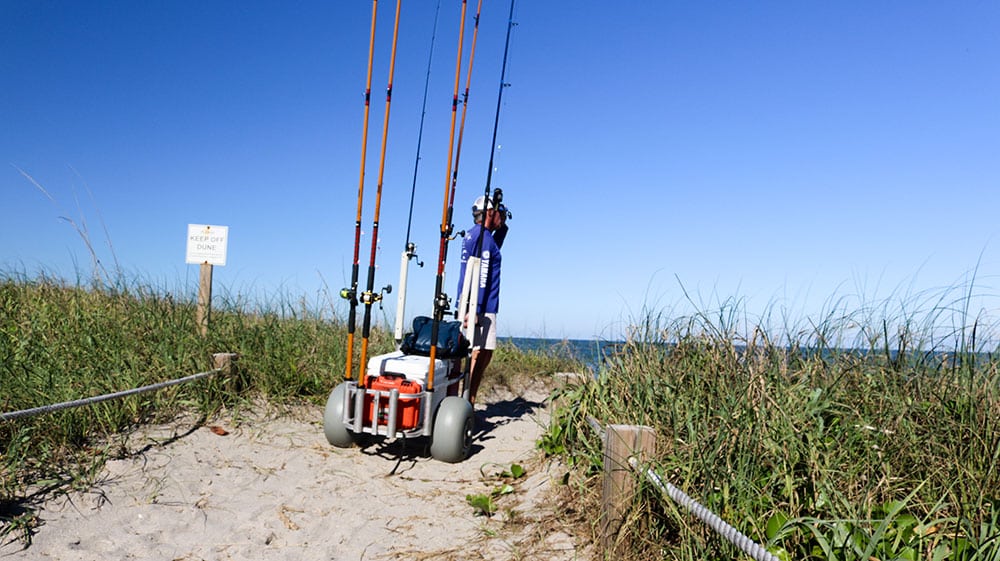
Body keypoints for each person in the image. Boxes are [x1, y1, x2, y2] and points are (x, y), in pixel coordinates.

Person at [456, 194, 508, 406]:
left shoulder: (476, 235)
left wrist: (503, 224)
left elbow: (494, 250)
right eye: (499, 213)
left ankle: (465, 399)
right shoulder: (484, 238)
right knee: (480, 353)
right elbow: (482, 273)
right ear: (490, 212)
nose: (502, 217)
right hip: (481, 305)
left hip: (472, 302)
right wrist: (476, 309)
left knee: (483, 352)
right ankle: (467, 402)